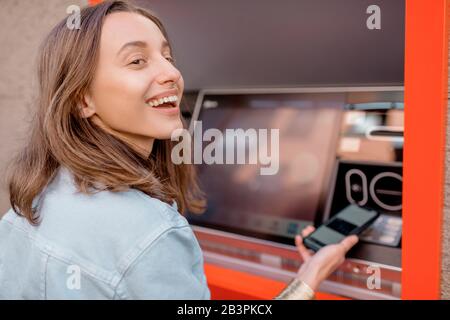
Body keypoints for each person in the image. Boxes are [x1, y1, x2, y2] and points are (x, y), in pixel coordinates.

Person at [0, 0, 358, 299]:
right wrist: (308, 280)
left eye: (167, 56)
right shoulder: (151, 235)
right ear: (83, 98)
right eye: (137, 61)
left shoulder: (29, 205)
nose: (171, 73)